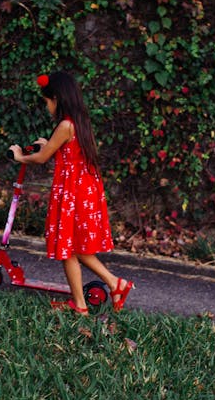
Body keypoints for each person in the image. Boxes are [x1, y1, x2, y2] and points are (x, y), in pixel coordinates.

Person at [9, 71, 134, 315]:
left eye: (47, 101)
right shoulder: (79, 121)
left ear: (56, 98)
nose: (47, 107)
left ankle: (86, 301)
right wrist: (50, 144)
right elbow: (69, 152)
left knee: (69, 248)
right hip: (84, 190)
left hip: (72, 193)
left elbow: (43, 157)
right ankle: (111, 286)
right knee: (75, 249)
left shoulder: (65, 125)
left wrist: (19, 156)